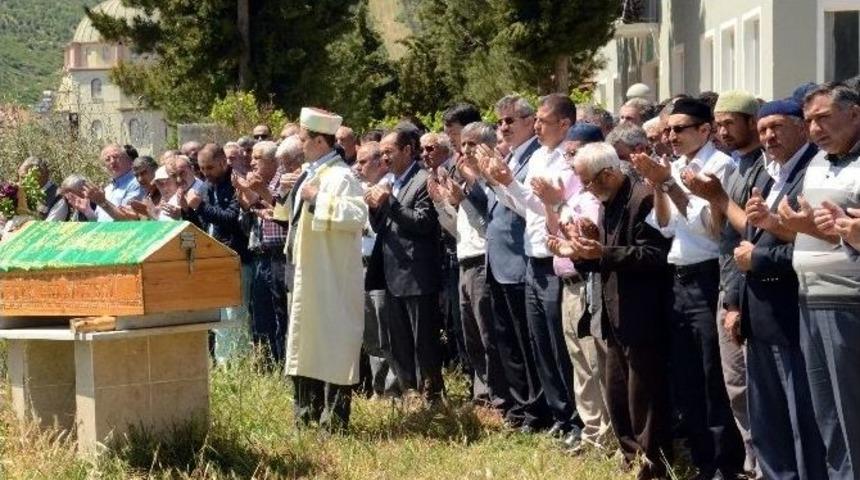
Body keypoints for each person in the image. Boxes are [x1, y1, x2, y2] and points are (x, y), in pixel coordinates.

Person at [632, 98, 745, 479]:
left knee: (713, 377)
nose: (671, 136)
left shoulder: (719, 166)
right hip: (678, 279)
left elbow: (707, 227)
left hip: (709, 274)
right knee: (687, 375)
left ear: (705, 130)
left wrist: (667, 183)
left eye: (679, 129)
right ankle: (701, 460)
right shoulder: (676, 167)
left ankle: (723, 464)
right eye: (668, 130)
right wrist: (661, 184)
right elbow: (663, 225)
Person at [566, 142, 673, 480]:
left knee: (644, 396)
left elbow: (656, 255)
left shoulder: (641, 198)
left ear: (609, 174)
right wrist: (585, 250)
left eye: (587, 182)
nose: (585, 189)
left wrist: (603, 252)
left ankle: (651, 464)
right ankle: (630, 457)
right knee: (618, 392)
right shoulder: (611, 200)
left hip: (644, 312)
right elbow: (608, 254)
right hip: (616, 313)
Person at [486, 93, 581, 441]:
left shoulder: (568, 160)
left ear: (564, 124)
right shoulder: (541, 156)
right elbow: (528, 209)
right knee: (540, 343)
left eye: (542, 120)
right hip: (533, 259)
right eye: (536, 120)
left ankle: (576, 419)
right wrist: (502, 183)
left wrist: (509, 182)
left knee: (560, 345)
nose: (537, 126)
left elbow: (552, 209)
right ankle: (559, 414)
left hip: (555, 261)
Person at [274, 107, 367, 429]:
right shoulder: (310, 173)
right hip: (306, 274)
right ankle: (306, 415)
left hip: (331, 278)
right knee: (304, 343)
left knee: (331, 345)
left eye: (303, 138)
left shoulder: (340, 176)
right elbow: (292, 220)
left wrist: (317, 199)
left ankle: (333, 420)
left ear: (318, 141)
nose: (299, 143)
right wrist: (289, 195)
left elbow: (357, 216)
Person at [791, 83, 860, 479]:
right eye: (809, 121)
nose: (814, 129)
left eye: (823, 118)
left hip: (848, 302)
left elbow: (849, 231)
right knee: (827, 416)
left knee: (851, 414)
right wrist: (791, 225)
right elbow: (828, 230)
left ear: (854, 113)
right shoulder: (817, 162)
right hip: (810, 298)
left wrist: (850, 229)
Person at [477, 94, 546, 432]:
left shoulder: (535, 156)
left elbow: (529, 207)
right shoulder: (512, 157)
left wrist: (502, 180)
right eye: (499, 121)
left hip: (521, 260)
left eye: (510, 121)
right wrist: (492, 179)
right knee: (508, 343)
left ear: (531, 122)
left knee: (527, 343)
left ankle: (536, 411)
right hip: (501, 262)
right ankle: (520, 407)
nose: (502, 127)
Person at [541, 124, 611, 452]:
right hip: (567, 284)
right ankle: (591, 430)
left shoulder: (598, 196)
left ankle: (609, 436)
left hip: (589, 283)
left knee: (598, 363)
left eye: (573, 153)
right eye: (566, 154)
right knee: (580, 364)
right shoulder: (571, 193)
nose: (567, 161)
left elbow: (593, 238)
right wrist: (551, 205)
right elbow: (554, 234)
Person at [429, 121, 505, 408]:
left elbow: (488, 224)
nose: (465, 150)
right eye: (463, 145)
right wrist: (442, 204)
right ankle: (482, 393)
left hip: (484, 261)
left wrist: (467, 195)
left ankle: (499, 397)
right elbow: (458, 227)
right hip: (463, 261)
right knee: (470, 334)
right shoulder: (464, 182)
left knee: (488, 335)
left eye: (472, 144)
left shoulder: (489, 180)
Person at [365, 127, 444, 400]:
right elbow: (380, 227)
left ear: (408, 150)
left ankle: (432, 395)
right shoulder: (390, 181)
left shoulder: (422, 180)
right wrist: (375, 206)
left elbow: (423, 222)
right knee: (398, 341)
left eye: (390, 152)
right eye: (382, 152)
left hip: (417, 274)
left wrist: (390, 203)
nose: (384, 158)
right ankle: (409, 390)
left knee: (424, 342)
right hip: (391, 274)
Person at [353, 141, 398, 398]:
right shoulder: (359, 188)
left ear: (379, 162)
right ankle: (377, 388)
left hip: (381, 268)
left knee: (385, 331)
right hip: (360, 267)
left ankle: (393, 390)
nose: (358, 167)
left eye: (362, 162)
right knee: (370, 334)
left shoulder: (389, 186)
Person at [90, 144, 145, 221]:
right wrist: (86, 210)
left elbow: (127, 219)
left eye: (116, 157)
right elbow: (100, 219)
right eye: (107, 159)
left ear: (128, 160)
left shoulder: (137, 183)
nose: (112, 161)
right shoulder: (107, 189)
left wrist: (103, 202)